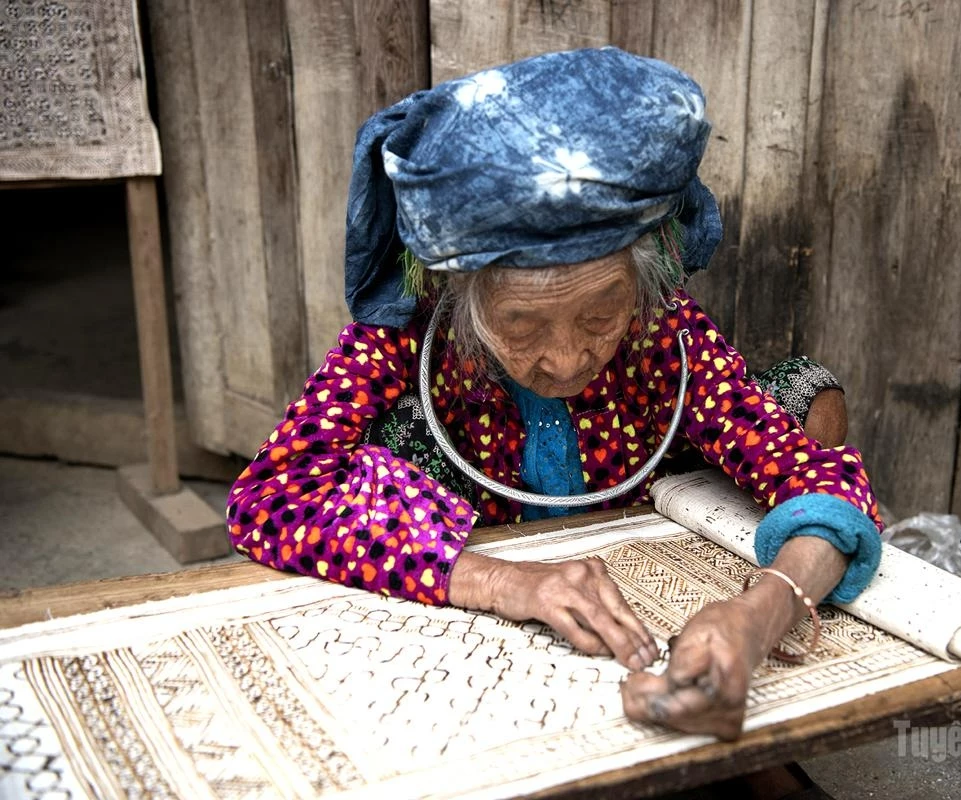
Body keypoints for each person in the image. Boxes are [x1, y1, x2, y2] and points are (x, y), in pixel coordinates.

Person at [226, 46, 883, 741]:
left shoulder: (666, 329)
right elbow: (270, 497)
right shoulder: (407, 334)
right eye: (520, 325)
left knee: (808, 398)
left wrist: (758, 617)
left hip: (637, 523)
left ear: (645, 280)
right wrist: (504, 582)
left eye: (600, 316)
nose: (568, 358)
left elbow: (824, 484)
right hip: (476, 544)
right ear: (459, 297)